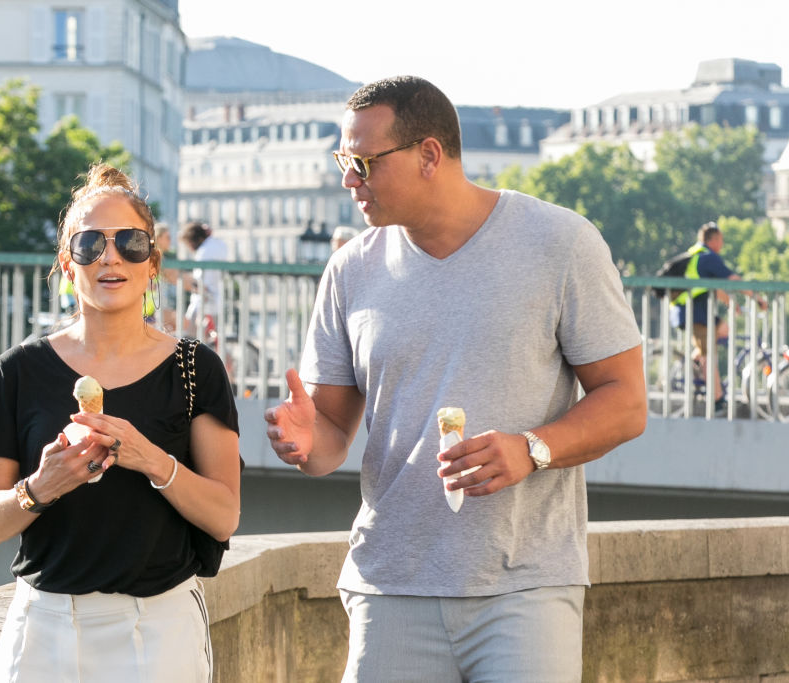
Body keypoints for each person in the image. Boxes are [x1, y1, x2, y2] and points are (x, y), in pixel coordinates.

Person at [264, 76, 647, 682]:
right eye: (345, 160)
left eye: (363, 162)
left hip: (526, 588)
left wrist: (532, 449)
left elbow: (625, 402)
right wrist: (306, 443)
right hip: (389, 587)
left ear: (429, 155)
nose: (348, 180)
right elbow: (332, 431)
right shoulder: (349, 270)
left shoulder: (561, 243)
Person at [0, 164, 241, 682]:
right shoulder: (18, 371)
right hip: (45, 628)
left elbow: (225, 516)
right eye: (90, 243)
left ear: (152, 264)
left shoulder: (195, 368)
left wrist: (151, 460)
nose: (110, 256)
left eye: (131, 242)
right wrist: (42, 487)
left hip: (160, 629)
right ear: (68, 266)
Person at [668, 221, 765, 413]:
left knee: (723, 330)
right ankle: (718, 400)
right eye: (721, 240)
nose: (722, 245)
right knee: (710, 354)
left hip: (696, 312)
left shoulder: (696, 256)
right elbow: (733, 280)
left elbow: (706, 285)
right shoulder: (708, 257)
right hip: (693, 313)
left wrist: (731, 302)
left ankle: (697, 361)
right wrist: (758, 298)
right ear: (713, 240)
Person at [180, 221, 228, 337]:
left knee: (188, 336)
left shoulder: (203, 253)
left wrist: (187, 281)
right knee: (214, 340)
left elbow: (199, 281)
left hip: (203, 301)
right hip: (216, 300)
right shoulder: (220, 245)